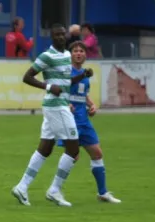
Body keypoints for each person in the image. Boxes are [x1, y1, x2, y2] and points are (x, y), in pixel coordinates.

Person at [11, 24, 93, 207]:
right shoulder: (46, 56)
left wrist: (82, 76)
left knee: (45, 148)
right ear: (52, 37)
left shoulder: (66, 55)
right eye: (57, 35)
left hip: (58, 105)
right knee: (73, 150)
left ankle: (22, 187)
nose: (61, 37)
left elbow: (65, 82)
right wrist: (48, 86)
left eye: (63, 34)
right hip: (56, 106)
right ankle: (54, 190)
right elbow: (27, 77)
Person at [56, 42, 121, 203]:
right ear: (70, 54)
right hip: (70, 120)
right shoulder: (66, 72)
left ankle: (102, 193)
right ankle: (55, 189)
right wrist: (65, 104)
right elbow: (57, 92)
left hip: (83, 121)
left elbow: (83, 95)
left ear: (85, 54)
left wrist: (91, 105)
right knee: (73, 155)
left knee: (97, 153)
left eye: (81, 51)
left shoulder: (85, 75)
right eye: (75, 51)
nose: (78, 53)